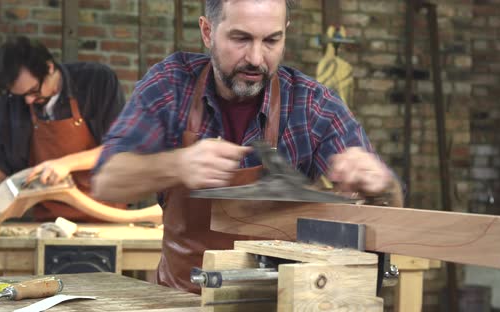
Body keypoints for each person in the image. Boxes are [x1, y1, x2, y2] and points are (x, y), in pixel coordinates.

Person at [92, 0, 403, 293]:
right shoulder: (171, 84)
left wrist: (380, 184)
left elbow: (392, 210)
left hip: (281, 300)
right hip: (183, 298)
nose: (256, 58)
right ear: (207, 32)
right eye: (240, 39)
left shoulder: (312, 105)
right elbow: (106, 181)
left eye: (271, 41)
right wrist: (177, 165)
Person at [0, 36, 127, 222]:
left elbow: (119, 147)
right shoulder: (9, 104)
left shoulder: (96, 81)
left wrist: (66, 163)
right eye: (20, 95)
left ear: (49, 67)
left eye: (33, 91)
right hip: (49, 220)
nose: (28, 100)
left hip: (107, 212)